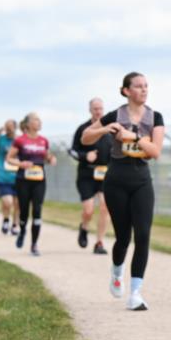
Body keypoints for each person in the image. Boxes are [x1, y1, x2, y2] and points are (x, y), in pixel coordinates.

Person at [81, 72, 164, 311]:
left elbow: (156, 151)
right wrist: (104, 129)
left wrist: (134, 137)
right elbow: (86, 138)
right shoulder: (114, 115)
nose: (144, 90)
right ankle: (117, 271)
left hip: (141, 179)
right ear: (126, 90)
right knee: (123, 238)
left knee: (144, 235)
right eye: (138, 86)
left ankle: (135, 293)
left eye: (146, 86)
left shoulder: (155, 117)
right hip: (116, 179)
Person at [6, 113, 57, 256]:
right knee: (23, 210)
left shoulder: (43, 141)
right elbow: (9, 158)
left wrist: (52, 159)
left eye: (39, 120)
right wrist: (21, 163)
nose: (39, 122)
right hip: (23, 180)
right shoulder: (20, 140)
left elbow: (47, 156)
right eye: (36, 120)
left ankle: (34, 244)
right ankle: (22, 231)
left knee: (37, 210)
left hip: (39, 180)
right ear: (28, 124)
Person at [71, 97, 113, 254]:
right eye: (95, 109)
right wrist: (84, 156)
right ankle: (84, 227)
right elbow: (73, 150)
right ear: (90, 110)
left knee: (105, 207)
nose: (98, 111)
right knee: (88, 210)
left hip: (105, 174)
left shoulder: (110, 129)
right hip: (86, 174)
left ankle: (99, 243)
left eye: (101, 108)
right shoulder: (83, 129)